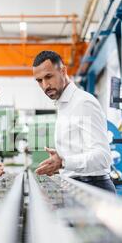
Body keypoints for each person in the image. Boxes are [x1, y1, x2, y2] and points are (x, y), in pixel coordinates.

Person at [32, 50, 115, 193]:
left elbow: (103, 157)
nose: (45, 85)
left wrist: (63, 162)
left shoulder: (83, 103)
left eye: (49, 77)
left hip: (93, 188)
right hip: (78, 186)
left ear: (63, 71)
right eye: (39, 81)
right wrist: (60, 161)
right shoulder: (64, 105)